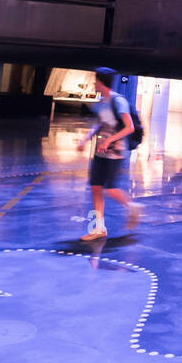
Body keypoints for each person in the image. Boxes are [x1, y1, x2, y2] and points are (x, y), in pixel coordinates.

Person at [75, 68, 140, 241]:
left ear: (101, 82)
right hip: (100, 151)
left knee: (111, 188)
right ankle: (99, 228)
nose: (94, 84)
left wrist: (109, 140)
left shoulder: (118, 101)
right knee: (96, 187)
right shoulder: (100, 102)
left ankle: (132, 207)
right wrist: (85, 139)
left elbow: (130, 127)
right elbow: (98, 125)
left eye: (95, 81)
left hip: (115, 153)